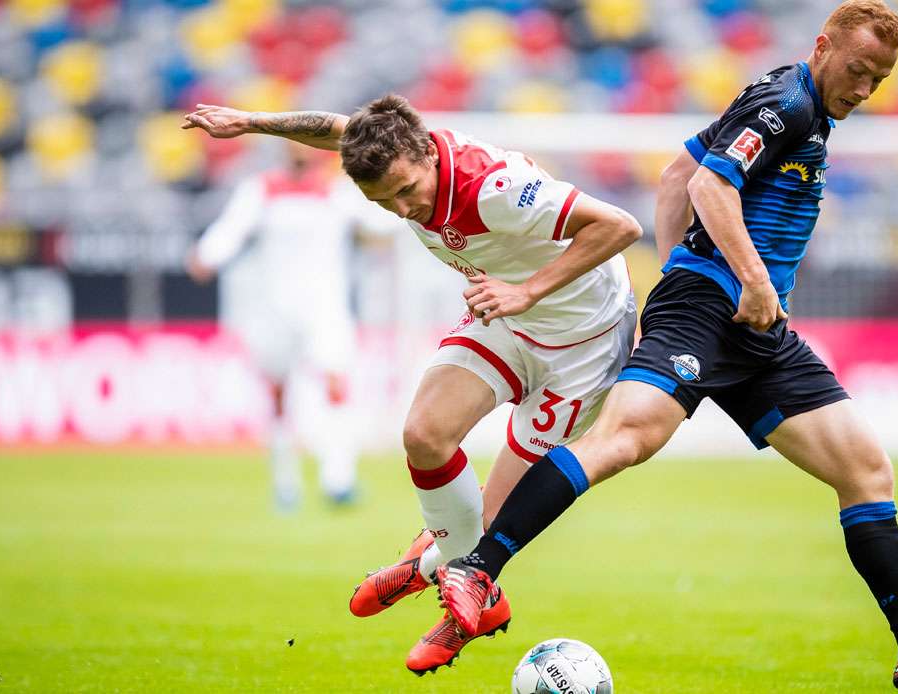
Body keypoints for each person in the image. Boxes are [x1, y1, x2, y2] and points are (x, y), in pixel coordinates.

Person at [434, 2, 898, 691]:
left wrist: (683, 257)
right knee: (624, 439)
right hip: (712, 309)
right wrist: (725, 275)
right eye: (857, 71)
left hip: (755, 329)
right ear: (823, 46)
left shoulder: (789, 104)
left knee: (866, 472)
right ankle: (476, 569)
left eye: (879, 79)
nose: (863, 90)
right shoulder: (788, 104)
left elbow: (678, 174)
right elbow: (714, 184)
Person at [182, 95, 641, 673]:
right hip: (507, 319)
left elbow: (620, 226)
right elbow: (334, 128)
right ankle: (477, 595)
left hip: (582, 343)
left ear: (427, 153)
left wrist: (526, 290)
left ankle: (437, 576)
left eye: (407, 190)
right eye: (384, 202)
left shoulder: (493, 188)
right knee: (424, 435)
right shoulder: (393, 145)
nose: (404, 208)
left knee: (494, 522)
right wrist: (250, 122)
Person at [188, 141, 400, 510]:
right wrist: (208, 254)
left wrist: (408, 210)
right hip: (272, 306)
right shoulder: (261, 189)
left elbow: (380, 222)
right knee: (279, 394)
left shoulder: (337, 191)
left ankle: (338, 478)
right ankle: (285, 481)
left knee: (335, 380)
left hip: (325, 305)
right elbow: (230, 230)